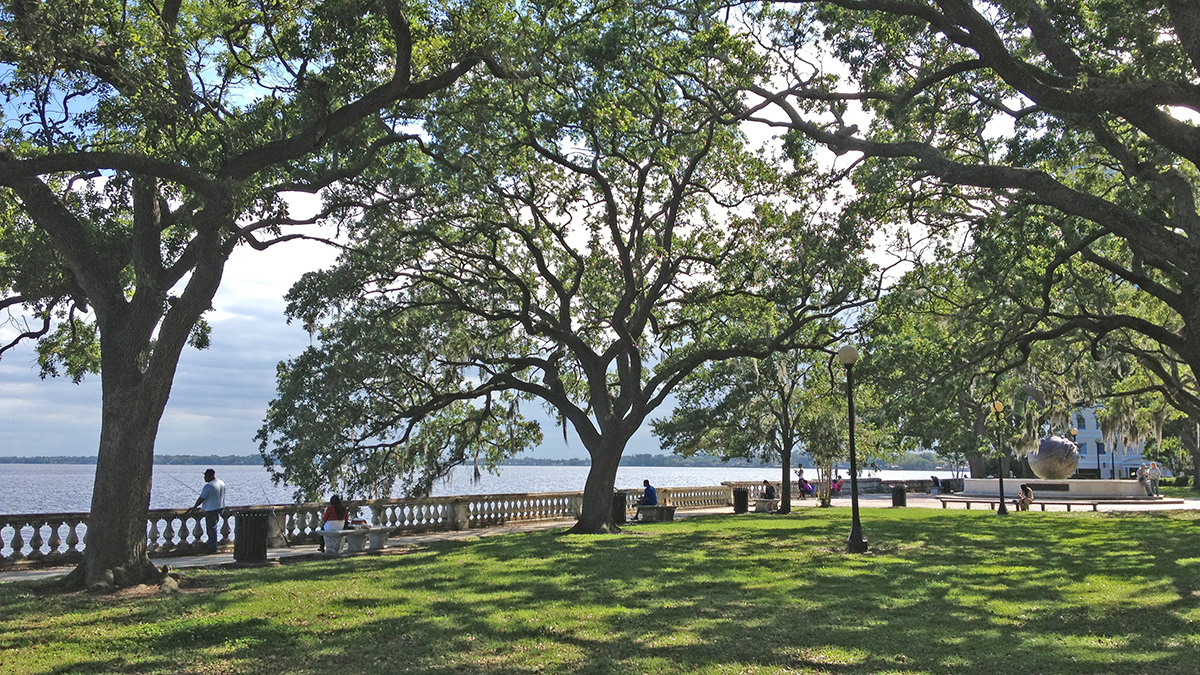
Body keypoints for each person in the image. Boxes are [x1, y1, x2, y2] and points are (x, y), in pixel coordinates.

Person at [187, 468, 226, 554]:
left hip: (211, 509)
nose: (204, 477)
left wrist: (194, 507)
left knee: (211, 530)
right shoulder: (222, 483)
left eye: (205, 476)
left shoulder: (208, 486)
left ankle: (212, 548)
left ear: (210, 476)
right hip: (220, 508)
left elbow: (201, 498)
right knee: (214, 528)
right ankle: (212, 545)